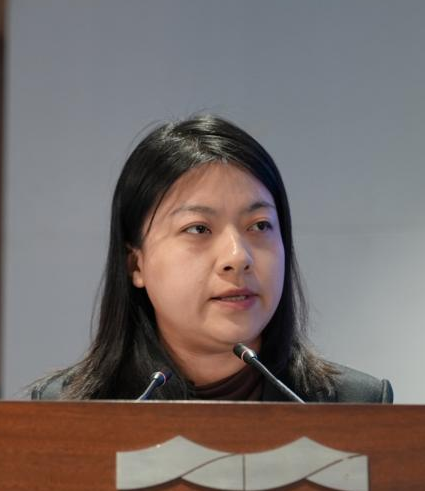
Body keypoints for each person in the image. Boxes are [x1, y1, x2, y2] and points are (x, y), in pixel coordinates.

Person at [31, 114, 392, 403]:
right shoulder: (69, 411)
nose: (237, 257)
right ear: (135, 264)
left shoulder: (352, 406)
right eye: (199, 229)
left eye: (260, 225)